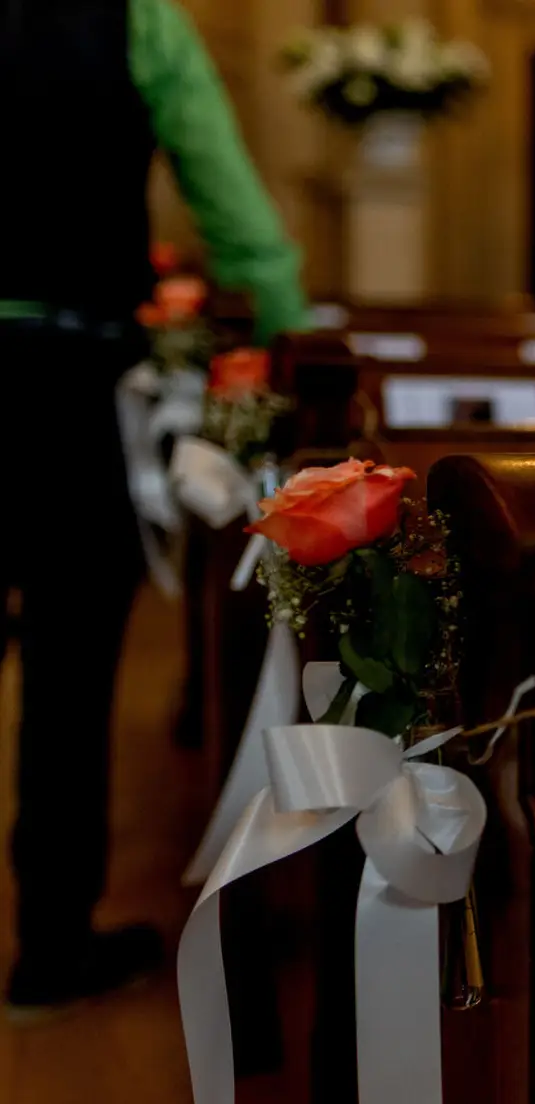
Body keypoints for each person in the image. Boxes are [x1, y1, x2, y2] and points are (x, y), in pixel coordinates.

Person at [0, 0, 307, 1017]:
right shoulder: (134, 21)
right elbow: (241, 225)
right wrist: (292, 358)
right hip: (76, 381)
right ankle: (49, 946)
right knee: (69, 670)